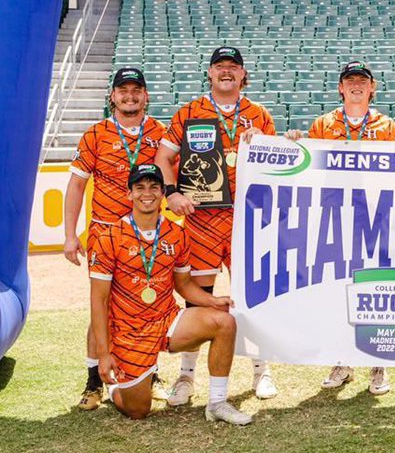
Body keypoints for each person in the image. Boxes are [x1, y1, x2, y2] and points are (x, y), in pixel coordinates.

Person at [155, 46, 280, 404]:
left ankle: (262, 372)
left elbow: (278, 162)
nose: (226, 71)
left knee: (253, 296)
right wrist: (172, 193)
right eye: (220, 66)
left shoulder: (259, 115)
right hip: (202, 221)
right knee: (200, 301)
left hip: (246, 221)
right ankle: (186, 377)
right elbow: (164, 157)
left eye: (233, 67)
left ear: (243, 75)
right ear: (209, 73)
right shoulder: (189, 113)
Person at [88, 164, 252, 425]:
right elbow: (99, 300)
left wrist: (213, 301)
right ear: (129, 193)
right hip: (129, 332)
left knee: (224, 322)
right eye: (140, 187)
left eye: (154, 187)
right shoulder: (110, 237)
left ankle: (218, 403)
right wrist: (104, 353)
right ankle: (117, 388)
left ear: (163, 192)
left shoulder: (176, 234)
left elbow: (184, 285)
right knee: (139, 411)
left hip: (167, 320)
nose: (147, 193)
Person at [285, 61, 395, 395]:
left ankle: (379, 363)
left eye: (362, 80)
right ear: (340, 88)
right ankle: (342, 359)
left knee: (376, 289)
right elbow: (307, 167)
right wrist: (296, 143)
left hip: (376, 218)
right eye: (350, 80)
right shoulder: (323, 125)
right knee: (337, 288)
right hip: (336, 218)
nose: (356, 85)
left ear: (373, 88)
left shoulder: (387, 126)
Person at [64, 67, 166, 411]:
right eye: (123, 90)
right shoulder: (95, 135)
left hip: (147, 235)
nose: (130, 96)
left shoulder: (160, 133)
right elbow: (77, 185)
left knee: (149, 306)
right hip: (105, 234)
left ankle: (152, 374)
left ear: (146, 96)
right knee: (102, 307)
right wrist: (69, 235)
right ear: (113, 96)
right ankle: (94, 382)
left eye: (137, 90)